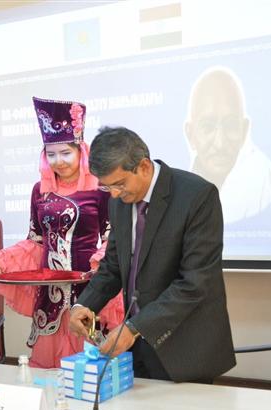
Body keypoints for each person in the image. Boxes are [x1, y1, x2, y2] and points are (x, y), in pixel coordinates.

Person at [69, 126, 236, 383]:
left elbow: (195, 282)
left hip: (185, 344)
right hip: (137, 348)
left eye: (119, 184)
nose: (114, 194)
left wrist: (135, 327)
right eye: (107, 187)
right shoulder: (118, 202)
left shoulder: (197, 196)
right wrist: (84, 305)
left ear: (144, 167)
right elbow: (113, 265)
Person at [0, 97, 124, 369]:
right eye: (51, 154)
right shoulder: (40, 191)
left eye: (65, 153)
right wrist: (1, 260)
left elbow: (111, 239)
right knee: (47, 371)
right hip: (51, 296)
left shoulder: (99, 189)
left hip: (88, 289)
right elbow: (35, 242)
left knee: (88, 368)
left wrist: (99, 263)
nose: (58, 161)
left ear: (81, 151)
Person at [184, 67, 271, 223]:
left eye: (230, 126)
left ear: (244, 131)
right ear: (190, 135)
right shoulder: (179, 192)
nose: (220, 144)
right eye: (207, 127)